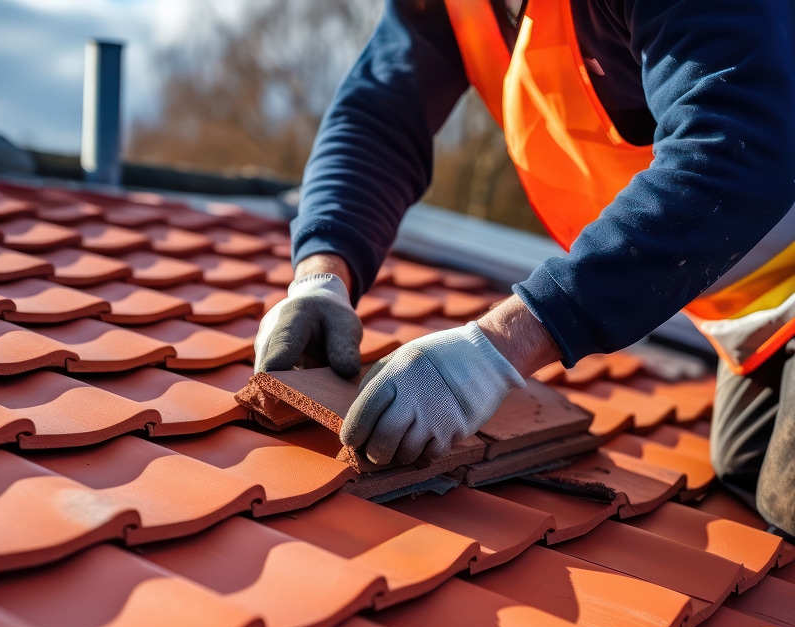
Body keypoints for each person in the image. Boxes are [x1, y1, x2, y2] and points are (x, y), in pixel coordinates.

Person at [254, 0, 795, 538]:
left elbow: (737, 147)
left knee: (786, 502)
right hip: (761, 317)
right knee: (748, 478)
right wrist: (322, 274)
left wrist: (499, 347)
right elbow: (378, 117)